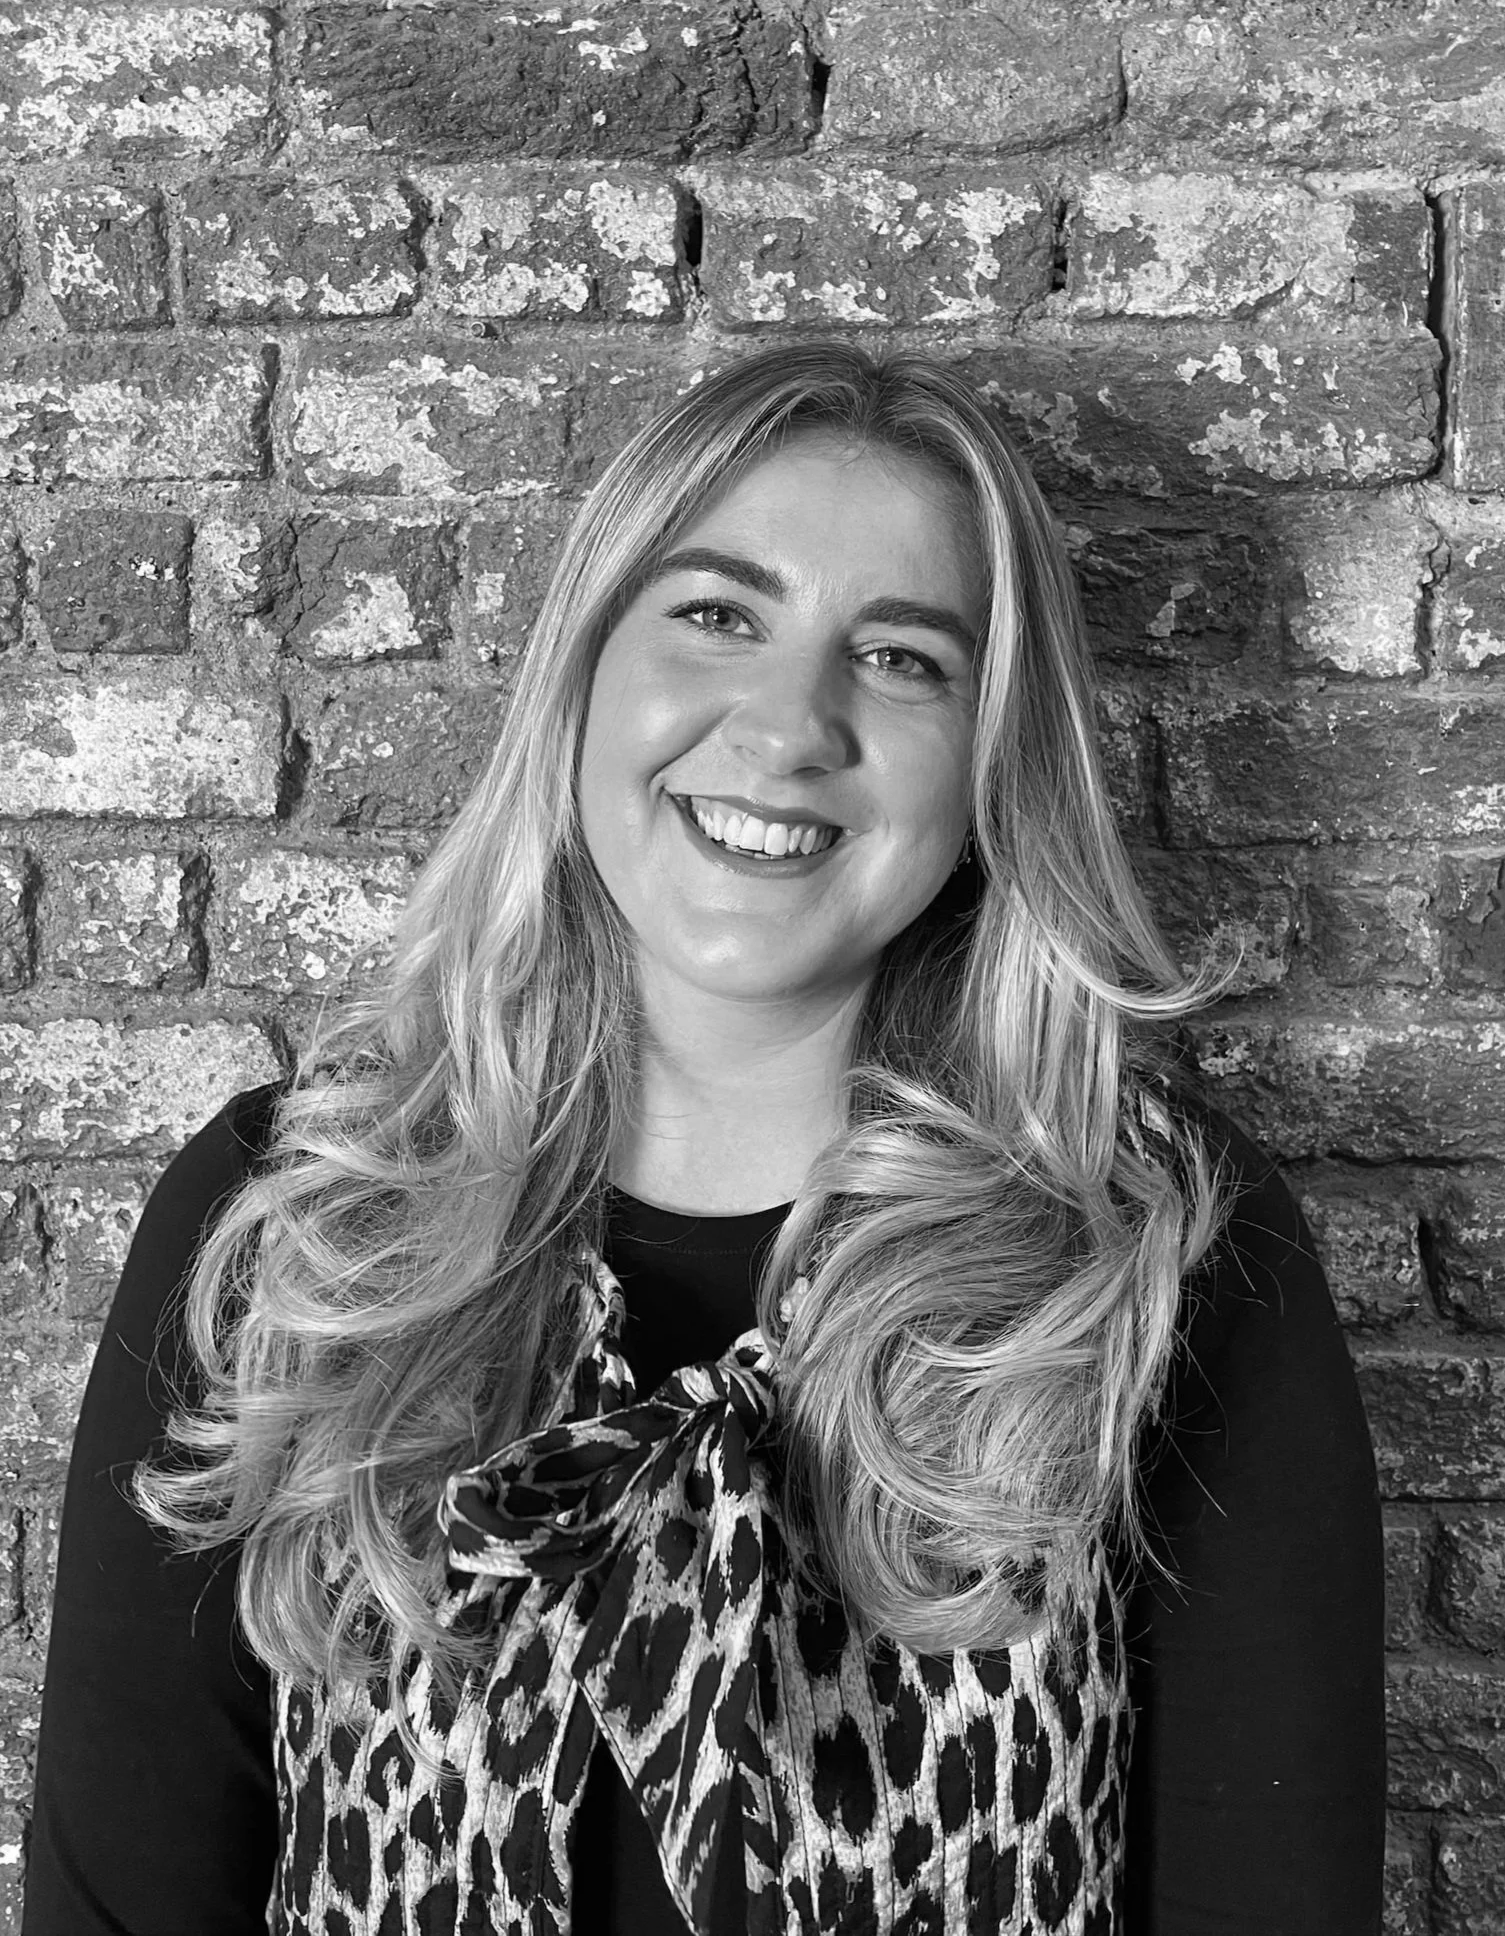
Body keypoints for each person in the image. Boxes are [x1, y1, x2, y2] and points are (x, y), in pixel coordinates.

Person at [24, 343, 1384, 1936]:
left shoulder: (1153, 1252)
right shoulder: (295, 1225)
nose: (790, 723)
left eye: (902, 657)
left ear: (991, 762)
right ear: (588, 667)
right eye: (720, 613)